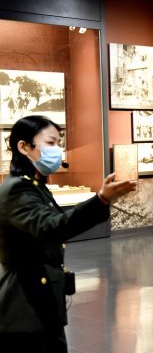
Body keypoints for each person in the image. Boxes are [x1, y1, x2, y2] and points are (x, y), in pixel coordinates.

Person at [0, 115, 137, 352]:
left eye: (59, 143)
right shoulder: (17, 189)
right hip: (25, 305)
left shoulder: (34, 185)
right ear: (23, 146)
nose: (58, 150)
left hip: (40, 300)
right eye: (50, 143)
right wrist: (100, 200)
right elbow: (50, 227)